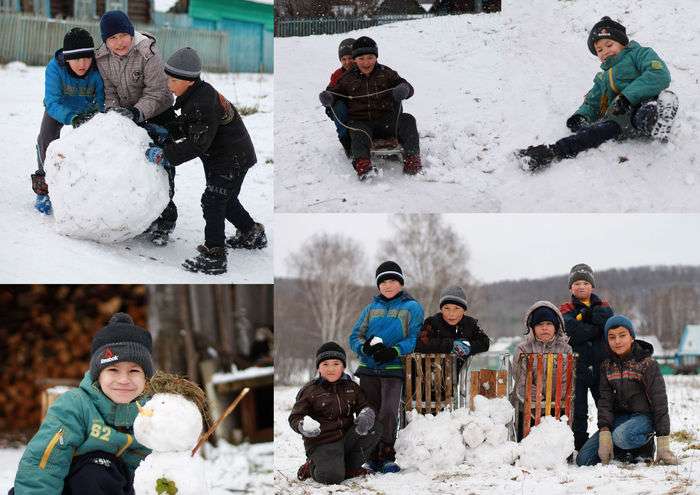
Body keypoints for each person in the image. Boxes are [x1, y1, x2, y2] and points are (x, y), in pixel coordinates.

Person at [143, 47, 265, 275]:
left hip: (230, 159)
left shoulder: (202, 103)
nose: (168, 84)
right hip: (232, 156)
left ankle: (214, 255)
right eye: (167, 78)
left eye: (172, 80)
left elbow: (198, 143)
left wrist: (165, 155)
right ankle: (251, 233)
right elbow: (191, 126)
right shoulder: (197, 96)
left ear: (189, 81)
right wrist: (166, 130)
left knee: (213, 201)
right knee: (225, 200)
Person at [10, 312, 153, 494]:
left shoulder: (151, 413)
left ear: (146, 378)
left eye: (134, 370)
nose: (124, 379)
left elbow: (153, 471)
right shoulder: (75, 406)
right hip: (67, 486)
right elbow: (45, 461)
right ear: (97, 375)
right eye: (113, 369)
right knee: (98, 468)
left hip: (119, 487)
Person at [516, 16, 678, 171]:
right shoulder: (602, 78)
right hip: (620, 120)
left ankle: (657, 119)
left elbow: (659, 74)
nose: (604, 51)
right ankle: (551, 152)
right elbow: (593, 102)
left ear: (622, 43)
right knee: (593, 133)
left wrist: (627, 98)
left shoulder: (639, 54)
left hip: (643, 102)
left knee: (647, 109)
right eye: (599, 50)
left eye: (609, 45)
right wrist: (581, 116)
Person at [96, 10, 178, 245]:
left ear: (131, 33)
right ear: (105, 41)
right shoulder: (102, 59)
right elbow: (109, 92)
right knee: (133, 165)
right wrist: (116, 115)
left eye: (123, 35)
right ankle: (144, 215)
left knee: (162, 166)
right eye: (112, 38)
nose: (118, 42)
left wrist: (136, 112)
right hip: (128, 118)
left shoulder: (147, 52)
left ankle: (166, 218)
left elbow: (159, 92)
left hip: (159, 114)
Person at [348, 261, 424, 473]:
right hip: (369, 368)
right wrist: (364, 348)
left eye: (392, 281)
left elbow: (415, 338)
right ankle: (370, 455)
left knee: (389, 411)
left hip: (393, 368)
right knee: (369, 411)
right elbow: (355, 336)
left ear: (400, 283)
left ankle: (387, 454)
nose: (388, 285)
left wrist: (394, 351)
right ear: (378, 285)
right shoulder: (371, 308)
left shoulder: (412, 307)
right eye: (383, 282)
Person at [576, 315, 678, 466]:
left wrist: (663, 441)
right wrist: (604, 433)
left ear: (632, 337)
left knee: (622, 436)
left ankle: (646, 444)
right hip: (620, 419)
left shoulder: (647, 364)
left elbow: (660, 402)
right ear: (607, 341)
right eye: (612, 337)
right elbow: (605, 401)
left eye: (622, 335)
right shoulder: (606, 366)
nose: (617, 341)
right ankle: (623, 450)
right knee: (584, 459)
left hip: (644, 418)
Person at [319, 37, 422, 179]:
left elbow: (406, 85)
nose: (366, 62)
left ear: (376, 57)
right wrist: (328, 97)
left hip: (387, 121)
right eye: (361, 58)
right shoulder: (347, 78)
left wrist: (404, 89)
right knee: (356, 130)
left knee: (408, 119)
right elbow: (334, 92)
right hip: (363, 123)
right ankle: (362, 164)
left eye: (370, 58)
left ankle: (412, 158)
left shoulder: (386, 73)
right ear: (355, 59)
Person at [32, 27, 104, 216]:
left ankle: (87, 185)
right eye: (77, 59)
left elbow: (103, 99)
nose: (83, 64)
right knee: (46, 139)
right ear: (67, 58)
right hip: (59, 109)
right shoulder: (55, 68)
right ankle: (44, 187)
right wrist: (72, 117)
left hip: (87, 109)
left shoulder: (97, 70)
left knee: (91, 146)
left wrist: (95, 113)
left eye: (87, 58)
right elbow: (51, 101)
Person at [289, 342, 380, 484]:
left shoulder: (352, 387)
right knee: (331, 477)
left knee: (375, 427)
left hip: (347, 438)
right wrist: (303, 426)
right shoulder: (310, 390)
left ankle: (346, 467)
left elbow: (365, 406)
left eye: (336, 364)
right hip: (323, 442)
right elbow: (295, 417)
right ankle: (312, 466)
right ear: (318, 367)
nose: (331, 369)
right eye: (325, 364)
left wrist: (366, 414)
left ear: (343, 366)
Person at [559, 263, 614, 451]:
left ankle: (612, 443)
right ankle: (580, 446)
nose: (581, 286)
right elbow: (571, 332)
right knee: (579, 410)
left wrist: (586, 323)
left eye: (585, 282)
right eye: (576, 283)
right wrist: (596, 328)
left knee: (605, 406)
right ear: (570, 287)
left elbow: (607, 325)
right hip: (578, 368)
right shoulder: (565, 308)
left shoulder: (604, 306)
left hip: (602, 367)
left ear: (592, 286)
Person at [512, 301, 572, 440]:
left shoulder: (565, 349)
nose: (544, 328)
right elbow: (522, 382)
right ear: (532, 328)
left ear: (556, 327)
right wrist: (540, 402)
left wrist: (551, 405)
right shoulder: (523, 349)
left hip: (557, 408)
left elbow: (566, 381)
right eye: (539, 324)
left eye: (549, 324)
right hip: (527, 407)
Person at [414, 286, 490, 371]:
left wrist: (468, 347)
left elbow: (485, 342)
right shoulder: (432, 322)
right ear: (441, 309)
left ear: (464, 310)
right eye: (446, 308)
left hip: (461, 377)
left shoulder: (470, 324)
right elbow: (420, 343)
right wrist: (451, 346)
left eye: (457, 308)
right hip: (432, 376)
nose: (451, 313)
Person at [324, 38, 355, 157]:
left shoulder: (365, 69)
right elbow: (331, 91)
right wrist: (328, 100)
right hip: (346, 110)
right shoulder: (337, 75)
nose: (347, 62)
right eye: (343, 59)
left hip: (363, 107)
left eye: (350, 58)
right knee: (339, 108)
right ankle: (347, 142)